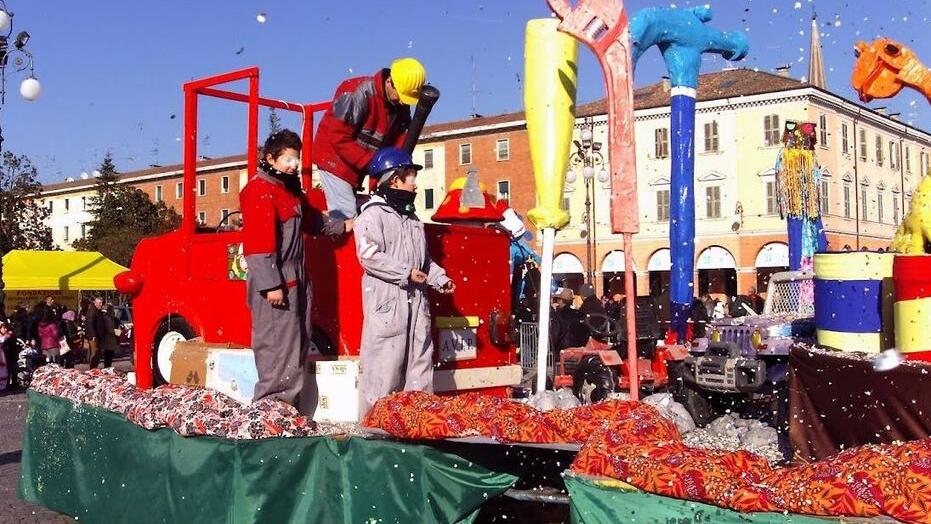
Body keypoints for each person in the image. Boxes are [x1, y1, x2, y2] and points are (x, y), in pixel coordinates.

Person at [240, 129, 346, 415]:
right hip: (277, 285)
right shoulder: (259, 191)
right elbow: (258, 247)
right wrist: (271, 285)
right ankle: (270, 415)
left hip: (297, 283)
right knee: (277, 352)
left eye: (296, 158)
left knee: (296, 349)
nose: (294, 164)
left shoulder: (290, 192)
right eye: (288, 158)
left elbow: (313, 222)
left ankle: (290, 414)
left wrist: (345, 225)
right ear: (270, 158)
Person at [354, 147, 455, 413]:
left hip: (416, 305)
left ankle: (418, 424)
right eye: (410, 176)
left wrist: (439, 278)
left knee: (419, 371)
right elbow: (368, 255)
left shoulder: (412, 220)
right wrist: (404, 273)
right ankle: (376, 435)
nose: (415, 183)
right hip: (389, 306)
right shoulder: (372, 216)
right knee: (383, 372)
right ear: (394, 179)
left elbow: (424, 261)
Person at [313, 58, 426, 222]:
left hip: (360, 162)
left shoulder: (399, 101)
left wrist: (391, 169)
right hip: (334, 160)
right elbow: (338, 136)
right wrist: (372, 165)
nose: (402, 101)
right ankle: (341, 240)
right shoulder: (355, 92)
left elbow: (400, 138)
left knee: (371, 211)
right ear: (389, 82)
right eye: (401, 96)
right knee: (347, 216)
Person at [85, 297, 104, 369]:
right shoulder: (92, 311)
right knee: (95, 353)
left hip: (97, 335)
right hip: (93, 336)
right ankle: (92, 369)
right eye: (99, 303)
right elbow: (90, 324)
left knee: (97, 353)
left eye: (101, 303)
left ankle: (94, 368)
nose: (101, 305)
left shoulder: (97, 311)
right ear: (95, 303)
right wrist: (93, 335)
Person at [1, 323, 18, 390]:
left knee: (10, 370)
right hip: (8, 355)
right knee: (10, 370)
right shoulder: (8, 336)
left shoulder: (9, 336)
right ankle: (11, 384)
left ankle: (10, 384)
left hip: (9, 355)